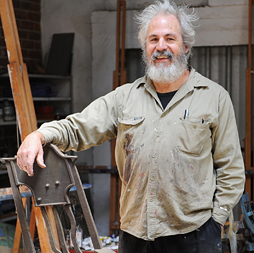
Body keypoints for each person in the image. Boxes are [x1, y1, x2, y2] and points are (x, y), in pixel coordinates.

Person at [17, 0, 245, 252]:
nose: (161, 47)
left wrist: (216, 221)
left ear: (186, 46)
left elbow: (231, 169)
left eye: (170, 38)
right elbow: (78, 127)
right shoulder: (125, 97)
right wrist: (39, 135)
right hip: (136, 235)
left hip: (195, 234)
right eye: (153, 39)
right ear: (145, 48)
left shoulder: (214, 97)